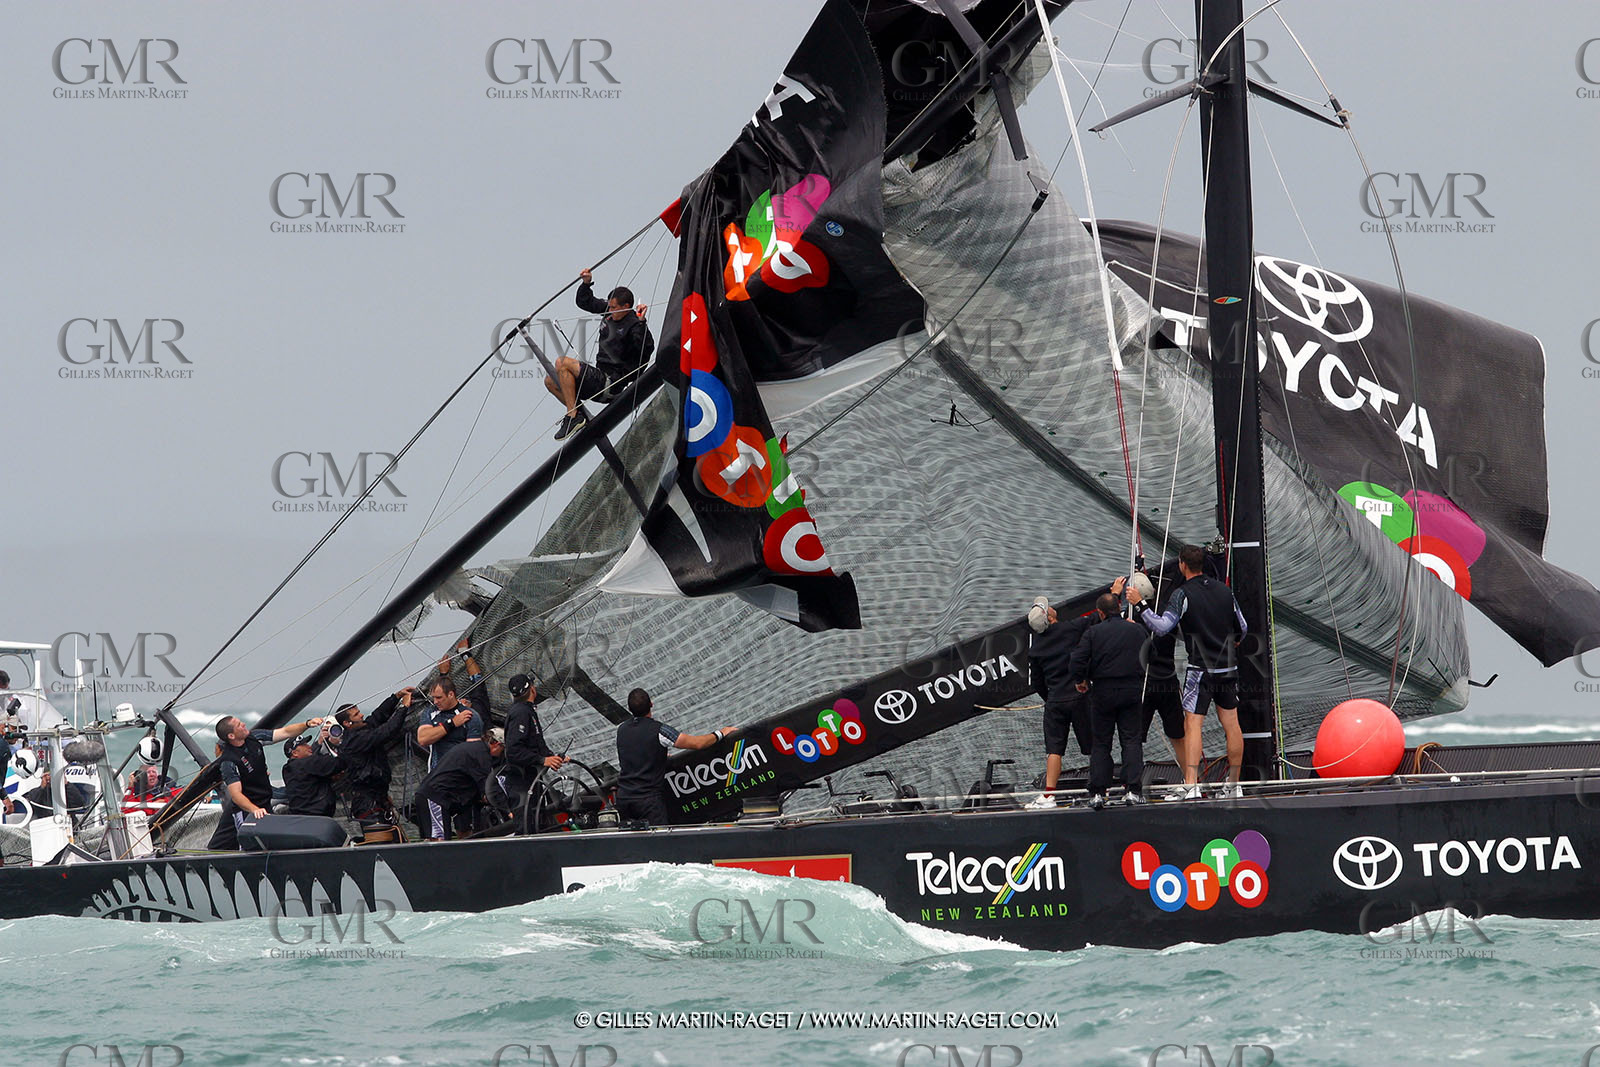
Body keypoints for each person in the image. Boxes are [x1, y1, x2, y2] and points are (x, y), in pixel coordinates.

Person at [1123, 544, 1248, 798]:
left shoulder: (1182, 594)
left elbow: (1161, 627)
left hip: (1201, 670)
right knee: (1232, 725)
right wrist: (1234, 640)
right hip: (1228, 667)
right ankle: (1234, 785)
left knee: (1193, 724)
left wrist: (1140, 605)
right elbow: (1243, 627)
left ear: (1182, 565)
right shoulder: (1225, 591)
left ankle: (1191, 785)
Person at [546, 268, 654, 441]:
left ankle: (572, 416)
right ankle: (576, 415)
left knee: (562, 362)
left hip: (611, 384)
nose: (609, 311)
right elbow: (585, 302)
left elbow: (645, 350)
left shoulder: (634, 326)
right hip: (597, 380)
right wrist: (586, 283)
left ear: (626, 307)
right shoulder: (609, 311)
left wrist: (642, 323)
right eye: (609, 307)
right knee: (550, 380)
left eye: (613, 308)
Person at [1067, 594, 1152, 809]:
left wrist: (1081, 680)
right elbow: (1152, 653)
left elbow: (1076, 660)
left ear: (1100, 613)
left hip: (1102, 692)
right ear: (1120, 606)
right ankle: (1133, 790)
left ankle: (1097, 793)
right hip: (1131, 691)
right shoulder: (1136, 630)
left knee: (1101, 743)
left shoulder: (1093, 633)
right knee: (1131, 740)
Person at [614, 688, 734, 827]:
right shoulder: (660, 731)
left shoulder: (621, 730)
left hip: (623, 799)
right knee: (660, 843)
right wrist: (722, 732)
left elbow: (635, 751)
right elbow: (697, 743)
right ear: (651, 704)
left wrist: (658, 754)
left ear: (630, 709)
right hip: (647, 801)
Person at [206, 713, 324, 850]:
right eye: (239, 725)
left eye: (241, 722)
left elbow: (285, 732)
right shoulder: (228, 761)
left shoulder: (254, 737)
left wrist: (307, 724)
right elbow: (236, 795)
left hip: (263, 803)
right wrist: (254, 810)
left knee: (272, 843)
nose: (243, 724)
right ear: (231, 736)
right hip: (245, 810)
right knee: (227, 847)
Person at [1024, 595, 1098, 810]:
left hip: (1055, 701)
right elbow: (1095, 618)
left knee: (1054, 750)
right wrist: (1115, 593)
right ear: (1050, 617)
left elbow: (1037, 682)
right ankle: (1099, 788)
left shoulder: (1035, 648)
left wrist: (1051, 698)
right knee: (1093, 746)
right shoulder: (1070, 630)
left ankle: (1049, 796)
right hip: (1080, 697)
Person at [335, 687, 415, 822]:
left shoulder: (362, 729)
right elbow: (387, 731)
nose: (361, 715)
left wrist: (396, 696)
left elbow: (378, 716)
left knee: (393, 837)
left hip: (379, 797)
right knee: (380, 839)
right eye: (356, 715)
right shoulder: (355, 741)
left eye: (359, 712)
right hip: (367, 803)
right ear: (347, 723)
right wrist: (404, 707)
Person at [413, 727, 505, 840]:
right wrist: (508, 809)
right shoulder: (481, 754)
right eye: (503, 748)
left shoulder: (474, 749)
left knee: (446, 839)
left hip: (439, 797)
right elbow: (488, 787)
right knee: (439, 841)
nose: (502, 753)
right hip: (434, 797)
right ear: (496, 744)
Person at [503, 674, 564, 824]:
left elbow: (536, 742)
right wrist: (542, 760)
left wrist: (553, 757)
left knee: (539, 824)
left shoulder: (528, 710)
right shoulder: (521, 713)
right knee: (526, 829)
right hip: (521, 784)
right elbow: (513, 751)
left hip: (532, 781)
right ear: (532, 689)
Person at [416, 678, 483, 772]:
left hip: (459, 775)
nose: (435, 701)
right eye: (433, 697)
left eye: (439, 697)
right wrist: (451, 724)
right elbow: (423, 739)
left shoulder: (469, 715)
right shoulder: (430, 712)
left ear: (451, 694)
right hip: (436, 775)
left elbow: (473, 752)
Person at [281, 729, 343, 818]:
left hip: (300, 816)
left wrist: (318, 743)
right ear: (294, 753)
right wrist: (338, 743)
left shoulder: (288, 768)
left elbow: (311, 776)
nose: (308, 746)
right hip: (316, 816)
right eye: (304, 745)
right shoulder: (307, 763)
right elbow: (338, 763)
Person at [438, 638, 489, 717]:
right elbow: (478, 681)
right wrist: (464, 653)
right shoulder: (478, 713)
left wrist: (443, 674)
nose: (463, 700)